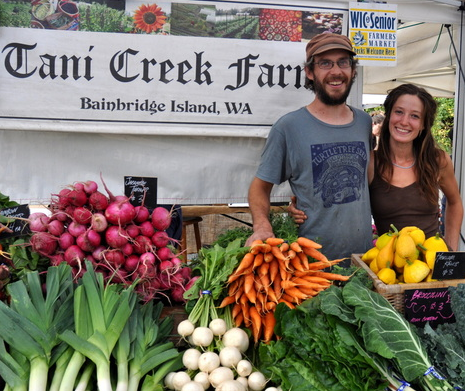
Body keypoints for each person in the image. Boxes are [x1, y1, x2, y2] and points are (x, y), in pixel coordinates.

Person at [245, 32, 374, 262]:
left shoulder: (364, 122)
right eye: (325, 63)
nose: (336, 71)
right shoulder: (289, 127)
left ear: (353, 70)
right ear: (310, 72)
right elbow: (259, 187)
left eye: (343, 62)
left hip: (362, 263)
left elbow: (368, 181)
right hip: (310, 267)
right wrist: (262, 226)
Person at [290, 83, 463, 251]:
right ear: (388, 116)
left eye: (415, 116)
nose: (404, 121)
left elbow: (454, 203)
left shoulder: (437, 160)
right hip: (387, 270)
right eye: (399, 112)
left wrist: (451, 250)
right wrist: (302, 206)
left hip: (433, 266)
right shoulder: (370, 163)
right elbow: (341, 199)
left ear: (424, 124)